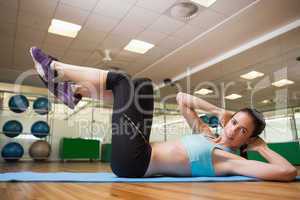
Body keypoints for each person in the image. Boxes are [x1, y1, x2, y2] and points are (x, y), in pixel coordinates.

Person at [29, 47, 297, 181]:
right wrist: (217, 110)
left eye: (243, 130)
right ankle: (75, 94)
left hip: (134, 163)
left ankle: (56, 69)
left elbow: (286, 171)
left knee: (122, 82)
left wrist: (262, 147)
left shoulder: (230, 162)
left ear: (247, 140)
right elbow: (182, 99)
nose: (234, 129)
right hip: (140, 147)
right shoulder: (206, 133)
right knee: (143, 85)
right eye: (235, 121)